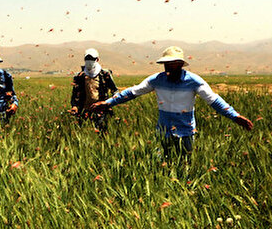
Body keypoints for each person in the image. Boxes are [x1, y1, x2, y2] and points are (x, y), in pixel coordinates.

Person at [91, 46, 253, 157]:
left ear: (181, 64)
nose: (169, 69)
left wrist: (235, 116)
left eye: (173, 65)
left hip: (186, 133)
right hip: (163, 133)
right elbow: (132, 92)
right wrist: (108, 103)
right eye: (167, 65)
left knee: (185, 166)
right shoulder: (156, 80)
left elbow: (214, 100)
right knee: (161, 166)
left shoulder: (194, 82)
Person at [69, 48, 118, 132]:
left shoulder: (105, 74)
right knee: (84, 133)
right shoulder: (79, 76)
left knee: (102, 133)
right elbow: (75, 94)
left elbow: (115, 91)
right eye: (87, 59)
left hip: (101, 110)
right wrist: (74, 106)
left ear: (97, 59)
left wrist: (111, 102)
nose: (89, 61)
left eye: (92, 59)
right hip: (84, 110)